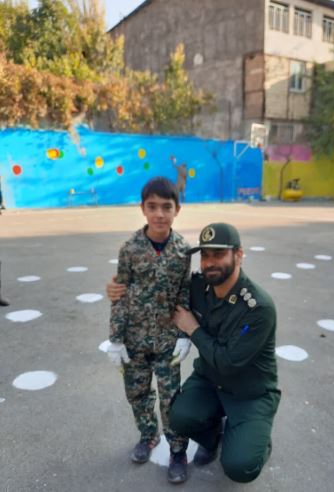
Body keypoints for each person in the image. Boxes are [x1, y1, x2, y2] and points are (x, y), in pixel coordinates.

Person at [107, 223, 281, 484]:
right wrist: (116, 290)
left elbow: (228, 362)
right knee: (179, 416)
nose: (210, 262)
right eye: (205, 255)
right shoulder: (199, 287)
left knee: (240, 466)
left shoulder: (257, 307)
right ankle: (215, 436)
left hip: (249, 393)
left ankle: (255, 441)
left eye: (219, 254)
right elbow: (158, 292)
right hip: (210, 381)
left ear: (238, 255)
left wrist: (193, 329)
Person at [106, 176, 191, 484]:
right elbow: (119, 293)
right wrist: (116, 339)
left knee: (171, 400)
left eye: (166, 207)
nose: (159, 214)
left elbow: (184, 293)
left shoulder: (183, 250)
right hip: (135, 340)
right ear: (142, 208)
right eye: (152, 207)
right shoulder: (129, 249)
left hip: (167, 342)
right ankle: (148, 435)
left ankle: (178, 450)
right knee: (137, 394)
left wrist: (184, 335)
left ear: (177, 209)